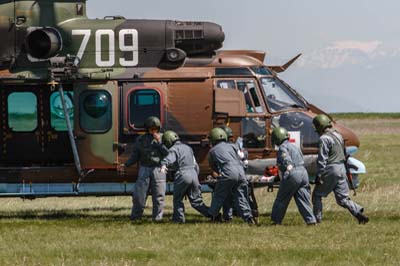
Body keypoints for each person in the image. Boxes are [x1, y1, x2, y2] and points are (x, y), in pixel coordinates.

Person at [312, 114, 369, 224]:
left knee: (317, 195)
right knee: (342, 199)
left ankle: (316, 220)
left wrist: (319, 175)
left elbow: (322, 159)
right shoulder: (338, 135)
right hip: (341, 168)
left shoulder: (324, 139)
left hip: (331, 169)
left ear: (319, 126)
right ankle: (358, 213)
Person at [121, 116, 168, 221]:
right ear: (147, 129)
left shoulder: (163, 138)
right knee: (139, 195)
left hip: (158, 168)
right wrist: (127, 164)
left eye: (155, 128)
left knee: (159, 195)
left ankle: (157, 219)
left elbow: (168, 153)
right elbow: (135, 155)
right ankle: (136, 217)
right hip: (144, 168)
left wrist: (159, 142)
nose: (153, 131)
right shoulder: (141, 139)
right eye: (151, 129)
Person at [207, 127, 255, 224]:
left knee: (219, 195)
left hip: (228, 172)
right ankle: (249, 218)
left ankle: (213, 215)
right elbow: (242, 156)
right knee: (241, 195)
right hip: (241, 172)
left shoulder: (212, 151)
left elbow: (213, 166)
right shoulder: (233, 146)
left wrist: (221, 174)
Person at [160, 130, 210, 223]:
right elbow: (195, 164)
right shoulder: (188, 148)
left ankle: (179, 220)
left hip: (183, 174)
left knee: (178, 200)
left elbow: (170, 159)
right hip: (194, 174)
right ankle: (212, 214)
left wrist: (163, 164)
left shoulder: (173, 149)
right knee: (196, 201)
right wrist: (195, 176)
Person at [270, 127, 316, 225]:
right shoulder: (295, 146)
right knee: (303, 198)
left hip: (293, 173)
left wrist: (287, 172)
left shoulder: (283, 147)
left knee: (281, 198)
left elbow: (286, 160)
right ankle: (311, 221)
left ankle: (275, 221)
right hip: (303, 173)